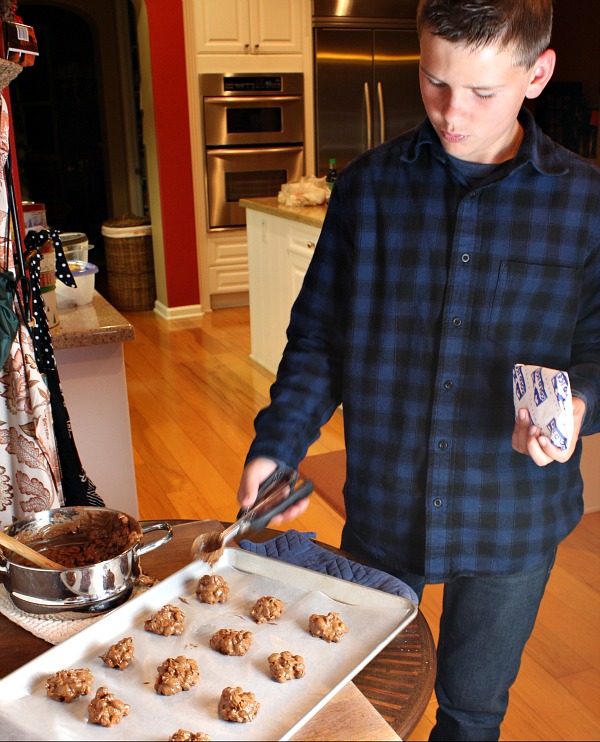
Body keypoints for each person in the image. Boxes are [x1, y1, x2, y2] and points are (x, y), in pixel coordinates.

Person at [236, 1, 600, 739]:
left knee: (471, 713)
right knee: (359, 699)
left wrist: (579, 405)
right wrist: (277, 445)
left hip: (511, 520)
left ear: (538, 74)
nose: (451, 113)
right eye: (434, 82)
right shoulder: (369, 188)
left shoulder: (588, 204)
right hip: (383, 506)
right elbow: (317, 340)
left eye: (481, 93)